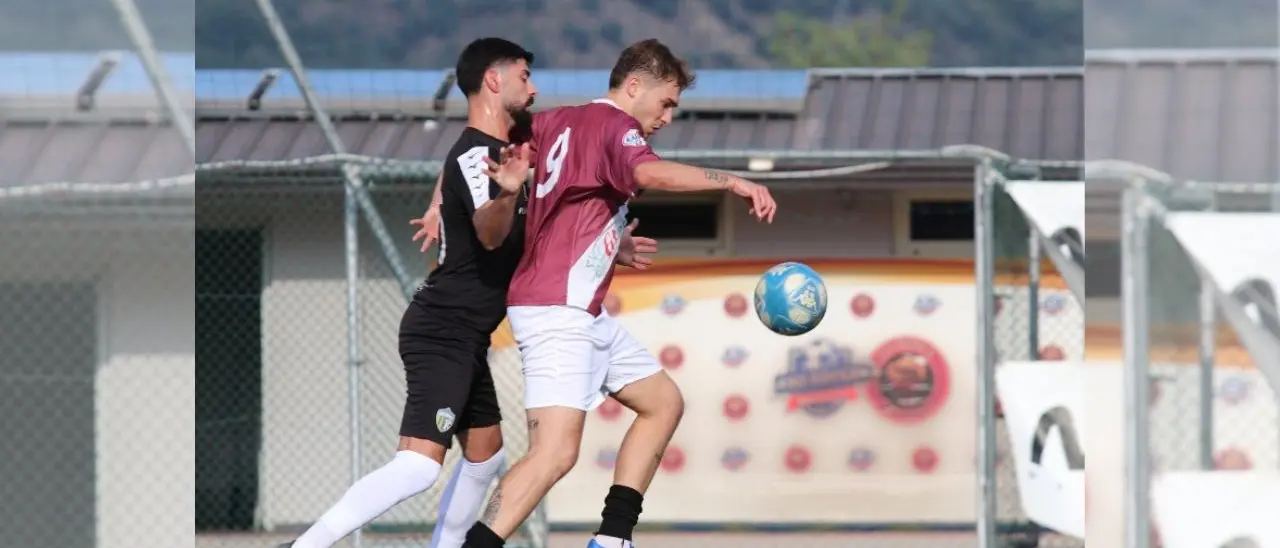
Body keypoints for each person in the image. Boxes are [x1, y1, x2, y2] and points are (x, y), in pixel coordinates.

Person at [283, 37, 657, 548]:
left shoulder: (508, 143)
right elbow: (489, 233)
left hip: (468, 336)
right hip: (441, 330)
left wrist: (440, 200)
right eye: (525, 75)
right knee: (417, 467)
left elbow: (479, 186)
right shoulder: (479, 157)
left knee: (486, 457)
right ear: (493, 80)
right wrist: (505, 192)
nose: (535, 86)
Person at [460, 39, 777, 548]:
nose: (668, 117)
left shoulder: (557, 121)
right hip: (555, 310)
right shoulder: (616, 127)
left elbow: (543, 184)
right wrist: (729, 182)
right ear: (634, 86)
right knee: (554, 455)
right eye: (667, 103)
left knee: (663, 402)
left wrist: (610, 243)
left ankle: (612, 539)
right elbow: (647, 171)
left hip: (577, 311)